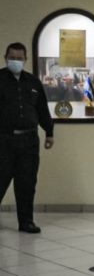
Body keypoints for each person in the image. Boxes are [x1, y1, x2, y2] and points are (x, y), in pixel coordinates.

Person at [0, 42, 54, 234]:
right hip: (4, 140)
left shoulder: (33, 82)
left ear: (25, 59)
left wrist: (49, 132)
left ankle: (26, 222)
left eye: (19, 58)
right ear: (5, 58)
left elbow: (42, 109)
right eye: (12, 58)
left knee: (27, 183)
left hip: (29, 141)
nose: (15, 61)